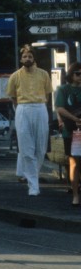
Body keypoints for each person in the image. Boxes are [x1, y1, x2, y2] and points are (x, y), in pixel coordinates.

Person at [7, 45, 53, 197]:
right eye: (25, 56)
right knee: (26, 148)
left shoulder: (44, 74)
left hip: (40, 108)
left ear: (34, 58)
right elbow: (12, 97)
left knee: (40, 148)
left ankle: (32, 175)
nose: (27, 59)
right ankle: (33, 185)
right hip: (23, 109)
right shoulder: (15, 76)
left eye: (30, 56)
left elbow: (48, 94)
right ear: (21, 59)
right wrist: (20, 108)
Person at [54, 63, 81, 207]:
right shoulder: (63, 89)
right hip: (72, 130)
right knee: (74, 162)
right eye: (78, 73)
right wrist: (75, 119)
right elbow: (60, 107)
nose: (80, 76)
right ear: (71, 74)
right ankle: (75, 194)